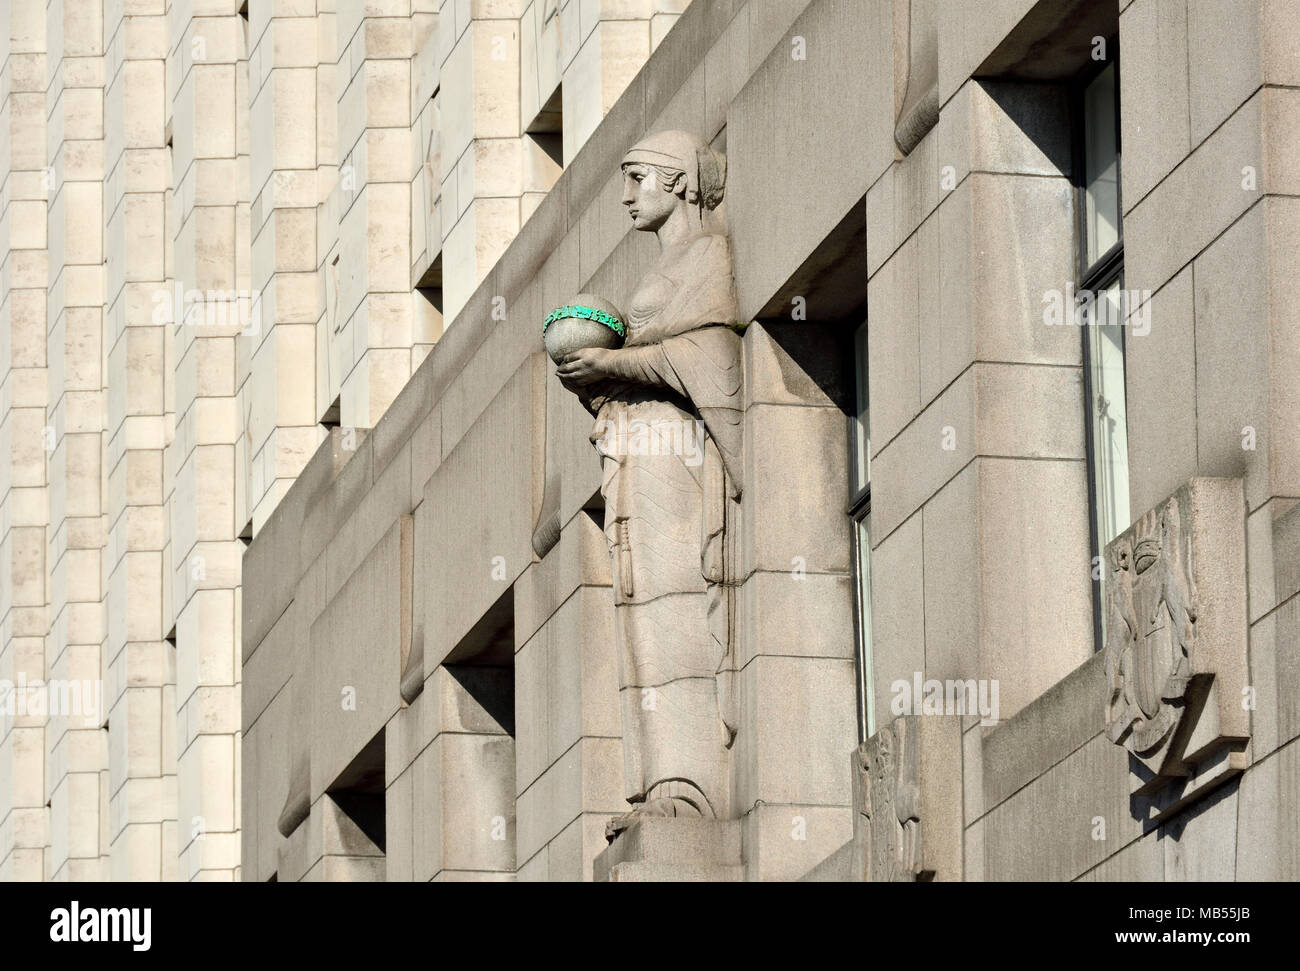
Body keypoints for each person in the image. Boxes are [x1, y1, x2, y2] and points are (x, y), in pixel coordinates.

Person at [556, 130, 744, 832]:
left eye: (639, 178)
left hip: (676, 465)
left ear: (680, 181)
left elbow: (710, 357)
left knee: (675, 615)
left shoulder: (708, 256)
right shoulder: (663, 270)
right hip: (638, 466)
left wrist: (615, 367)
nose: (628, 195)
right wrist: (596, 379)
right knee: (644, 624)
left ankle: (690, 788)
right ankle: (659, 784)